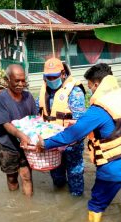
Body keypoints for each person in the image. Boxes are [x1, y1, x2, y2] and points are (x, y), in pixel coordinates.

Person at [37, 63, 121, 222]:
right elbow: (116, 125)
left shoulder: (98, 110)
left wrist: (44, 143)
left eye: (90, 86)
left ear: (97, 84)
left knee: (97, 204)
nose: (90, 90)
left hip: (112, 171)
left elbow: (72, 135)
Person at [36, 57, 86, 196]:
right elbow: (37, 113)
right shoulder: (44, 90)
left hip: (71, 144)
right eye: (48, 77)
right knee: (56, 176)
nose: (51, 80)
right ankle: (60, 202)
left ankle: (75, 203)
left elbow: (80, 123)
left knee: (75, 175)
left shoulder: (75, 92)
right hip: (52, 142)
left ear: (63, 74)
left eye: (54, 76)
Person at [0, 64, 36, 196]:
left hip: (26, 146)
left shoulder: (29, 97)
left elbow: (35, 121)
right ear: (8, 80)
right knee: (11, 178)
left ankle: (28, 208)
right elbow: (5, 124)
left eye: (23, 80)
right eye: (17, 81)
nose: (21, 84)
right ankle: (14, 203)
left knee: (27, 177)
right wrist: (21, 135)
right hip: (7, 146)